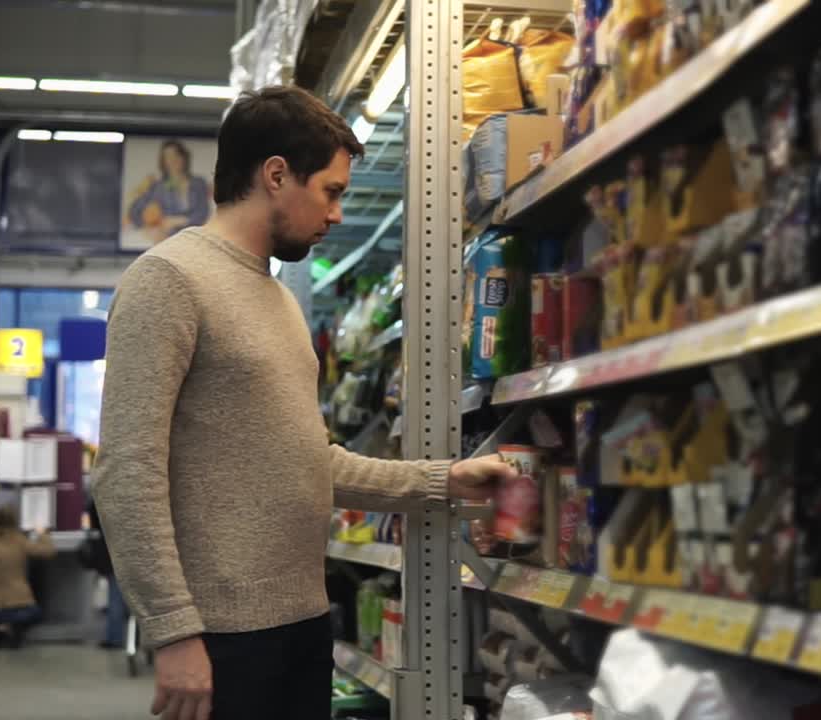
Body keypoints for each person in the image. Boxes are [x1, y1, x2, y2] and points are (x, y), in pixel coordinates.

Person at [94, 85, 515, 720]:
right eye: (332, 191)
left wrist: (443, 479)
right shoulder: (169, 281)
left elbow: (309, 463)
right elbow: (127, 470)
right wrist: (174, 630)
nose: (338, 213)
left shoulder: (280, 301)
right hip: (221, 639)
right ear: (275, 175)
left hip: (302, 626)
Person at [0, 506, 55, 649]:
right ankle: (15, 632)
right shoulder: (19, 541)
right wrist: (42, 533)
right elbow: (48, 551)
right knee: (36, 613)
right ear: (15, 522)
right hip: (19, 608)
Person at [126, 139, 212, 245]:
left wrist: (181, 220)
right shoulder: (158, 186)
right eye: (168, 157)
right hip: (166, 241)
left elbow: (203, 213)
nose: (173, 160)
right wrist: (149, 227)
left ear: (184, 157)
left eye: (176, 155)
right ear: (163, 162)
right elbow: (134, 212)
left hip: (194, 240)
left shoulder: (198, 183)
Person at [82, 501, 127, 649]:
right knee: (119, 597)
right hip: (124, 552)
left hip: (108, 554)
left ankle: (115, 638)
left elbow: (92, 524)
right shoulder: (122, 501)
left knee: (114, 599)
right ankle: (121, 636)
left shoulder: (98, 500)